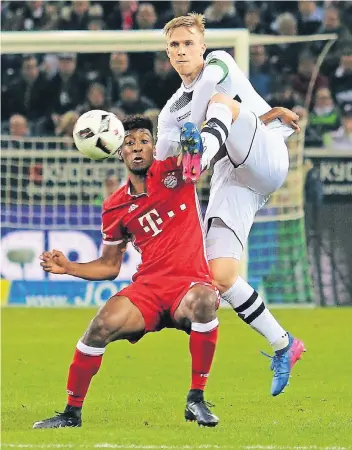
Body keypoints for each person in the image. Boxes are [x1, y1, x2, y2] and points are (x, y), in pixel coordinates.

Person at [33, 116, 220, 429]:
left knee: (204, 299)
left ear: (153, 148)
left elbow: (195, 159)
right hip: (148, 289)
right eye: (130, 143)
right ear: (119, 152)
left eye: (144, 141)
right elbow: (109, 266)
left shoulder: (177, 171)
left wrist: (194, 142)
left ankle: (196, 398)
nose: (137, 147)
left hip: (188, 285)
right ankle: (70, 413)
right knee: (100, 326)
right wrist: (68, 268)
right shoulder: (115, 206)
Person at [156, 13, 305, 397]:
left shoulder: (219, 62)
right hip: (234, 176)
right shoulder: (171, 113)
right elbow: (160, 170)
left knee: (219, 100)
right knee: (220, 274)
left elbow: (216, 93)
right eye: (174, 45)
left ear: (202, 46)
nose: (182, 50)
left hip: (266, 153)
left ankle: (200, 155)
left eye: (189, 43)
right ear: (167, 53)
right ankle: (284, 344)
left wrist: (269, 116)